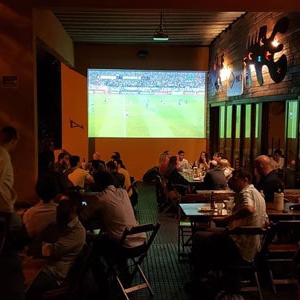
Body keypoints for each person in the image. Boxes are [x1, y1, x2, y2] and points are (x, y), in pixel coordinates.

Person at [188, 168, 268, 288]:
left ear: (245, 180)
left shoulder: (246, 192)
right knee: (208, 232)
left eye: (235, 180)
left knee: (199, 236)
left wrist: (227, 219)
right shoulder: (258, 194)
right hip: (253, 246)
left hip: (239, 245)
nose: (232, 182)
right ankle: (206, 275)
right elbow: (266, 220)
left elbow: (249, 208)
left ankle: (201, 279)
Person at [25, 191, 86, 299]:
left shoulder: (77, 232)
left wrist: (42, 245)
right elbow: (36, 243)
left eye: (62, 205)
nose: (58, 207)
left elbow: (49, 251)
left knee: (22, 288)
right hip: (41, 264)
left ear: (73, 209)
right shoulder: (58, 224)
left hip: (54, 273)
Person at [23, 175, 60, 239]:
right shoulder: (63, 212)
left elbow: (29, 234)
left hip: (37, 248)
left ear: (37, 190)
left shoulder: (29, 214)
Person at [0, 126, 18, 226]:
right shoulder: (4, 156)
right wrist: (9, 203)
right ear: (13, 141)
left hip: (4, 205)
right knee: (17, 226)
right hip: (3, 207)